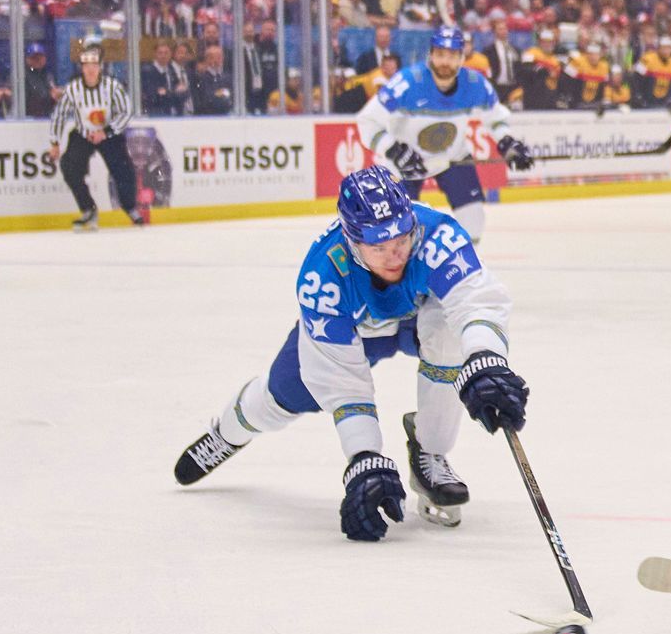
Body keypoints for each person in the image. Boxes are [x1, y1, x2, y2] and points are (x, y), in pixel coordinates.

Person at [172, 166, 532, 539]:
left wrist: (486, 359)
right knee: (279, 399)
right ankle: (228, 432)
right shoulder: (323, 276)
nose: (395, 255)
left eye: (402, 240)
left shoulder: (437, 235)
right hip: (353, 332)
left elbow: (475, 301)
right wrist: (365, 458)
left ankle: (431, 450)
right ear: (353, 242)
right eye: (378, 247)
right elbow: (343, 384)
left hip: (418, 324)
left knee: (451, 334)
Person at [356, 26, 535, 241]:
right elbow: (367, 121)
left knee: (474, 219)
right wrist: (393, 149)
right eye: (440, 55)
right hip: (405, 163)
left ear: (461, 58)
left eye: (451, 56)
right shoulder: (407, 83)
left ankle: (463, 271)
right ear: (430, 54)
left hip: (452, 159)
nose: (445, 62)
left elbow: (495, 119)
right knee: (398, 234)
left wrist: (507, 142)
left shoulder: (475, 84)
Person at [48, 40, 145, 230]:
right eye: (87, 65)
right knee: (70, 167)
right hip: (83, 133)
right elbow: (59, 115)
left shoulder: (112, 86)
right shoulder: (72, 89)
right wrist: (55, 142)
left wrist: (106, 131)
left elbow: (126, 112)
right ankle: (88, 209)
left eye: (94, 65)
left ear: (100, 67)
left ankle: (130, 207)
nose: (91, 69)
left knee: (123, 170)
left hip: (109, 133)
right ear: (82, 68)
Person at [632, 36, 671, 109]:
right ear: (658, 48)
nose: (666, 51)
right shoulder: (648, 58)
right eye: (663, 48)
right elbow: (635, 77)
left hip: (663, 100)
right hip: (647, 98)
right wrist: (638, 95)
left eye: (668, 48)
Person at [22, 42, 59, 118]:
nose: (37, 60)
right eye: (34, 57)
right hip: (29, 119)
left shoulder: (48, 75)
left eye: (40, 57)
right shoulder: (23, 76)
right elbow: (29, 100)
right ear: (27, 59)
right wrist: (50, 96)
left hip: (47, 117)